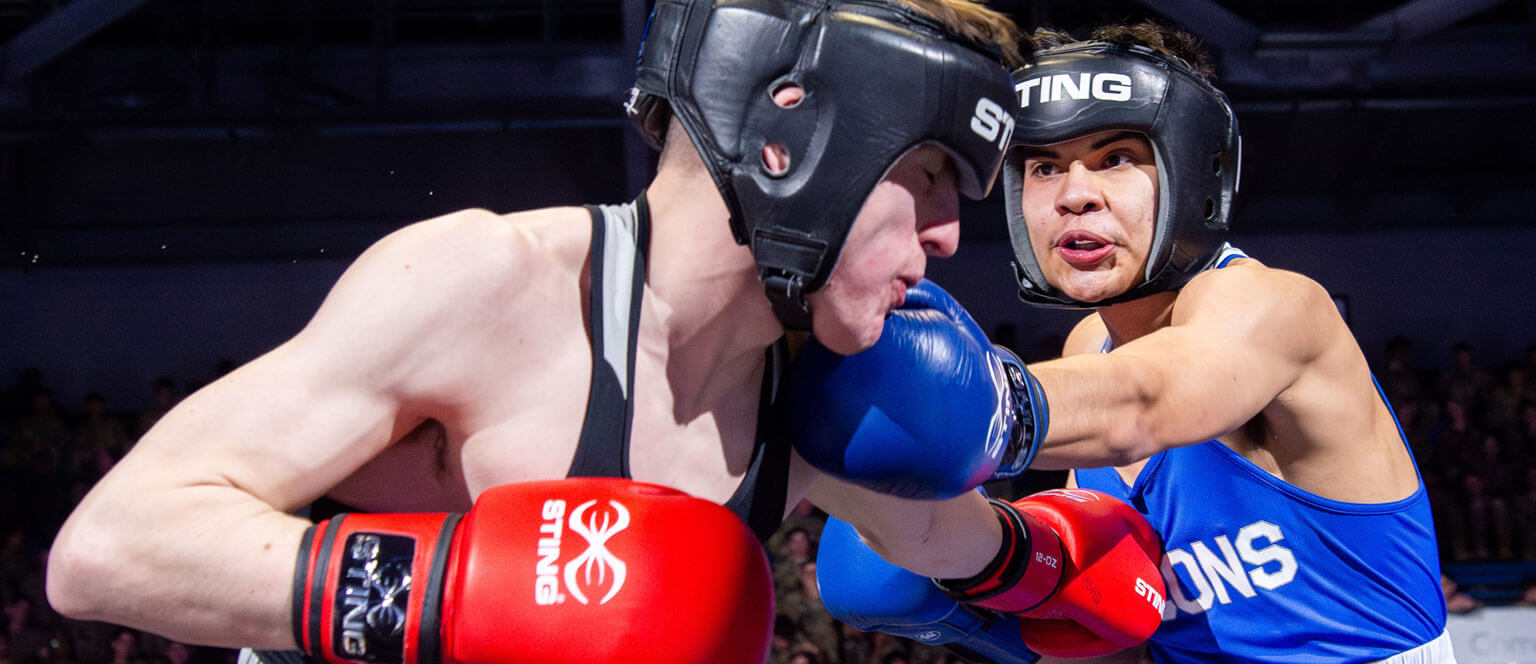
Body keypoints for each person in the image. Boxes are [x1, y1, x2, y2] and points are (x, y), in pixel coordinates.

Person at [46, 1, 1036, 663]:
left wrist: (1093, 566)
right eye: (928, 175)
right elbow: (110, 546)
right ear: (795, 133)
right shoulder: (486, 284)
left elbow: (957, 542)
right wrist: (455, 592)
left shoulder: (828, 388)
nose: (949, 235)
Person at [799, 21, 1452, 664]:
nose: (1075, 196)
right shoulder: (1090, 349)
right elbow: (1125, 625)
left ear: (1192, 173)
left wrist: (941, 403)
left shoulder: (1276, 306)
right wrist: (982, 581)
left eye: (1116, 158)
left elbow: (1147, 402)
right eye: (1045, 167)